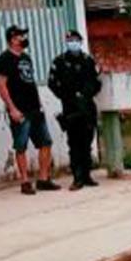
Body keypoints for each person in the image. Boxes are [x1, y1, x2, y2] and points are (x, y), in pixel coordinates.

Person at [0, 25, 60, 195]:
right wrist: (12, 109)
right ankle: (25, 181)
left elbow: (30, 82)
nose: (24, 38)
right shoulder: (4, 59)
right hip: (20, 110)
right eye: (20, 36)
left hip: (34, 108)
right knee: (21, 146)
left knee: (46, 142)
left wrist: (39, 104)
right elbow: (1, 85)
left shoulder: (26, 58)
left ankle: (43, 179)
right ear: (12, 39)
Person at [48, 30, 102, 191]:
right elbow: (52, 83)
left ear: (80, 41)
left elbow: (97, 83)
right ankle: (77, 178)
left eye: (75, 40)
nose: (73, 42)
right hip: (70, 108)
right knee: (74, 143)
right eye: (70, 40)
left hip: (87, 107)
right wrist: (68, 97)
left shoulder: (88, 61)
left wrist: (85, 95)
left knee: (87, 142)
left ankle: (87, 175)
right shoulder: (59, 62)